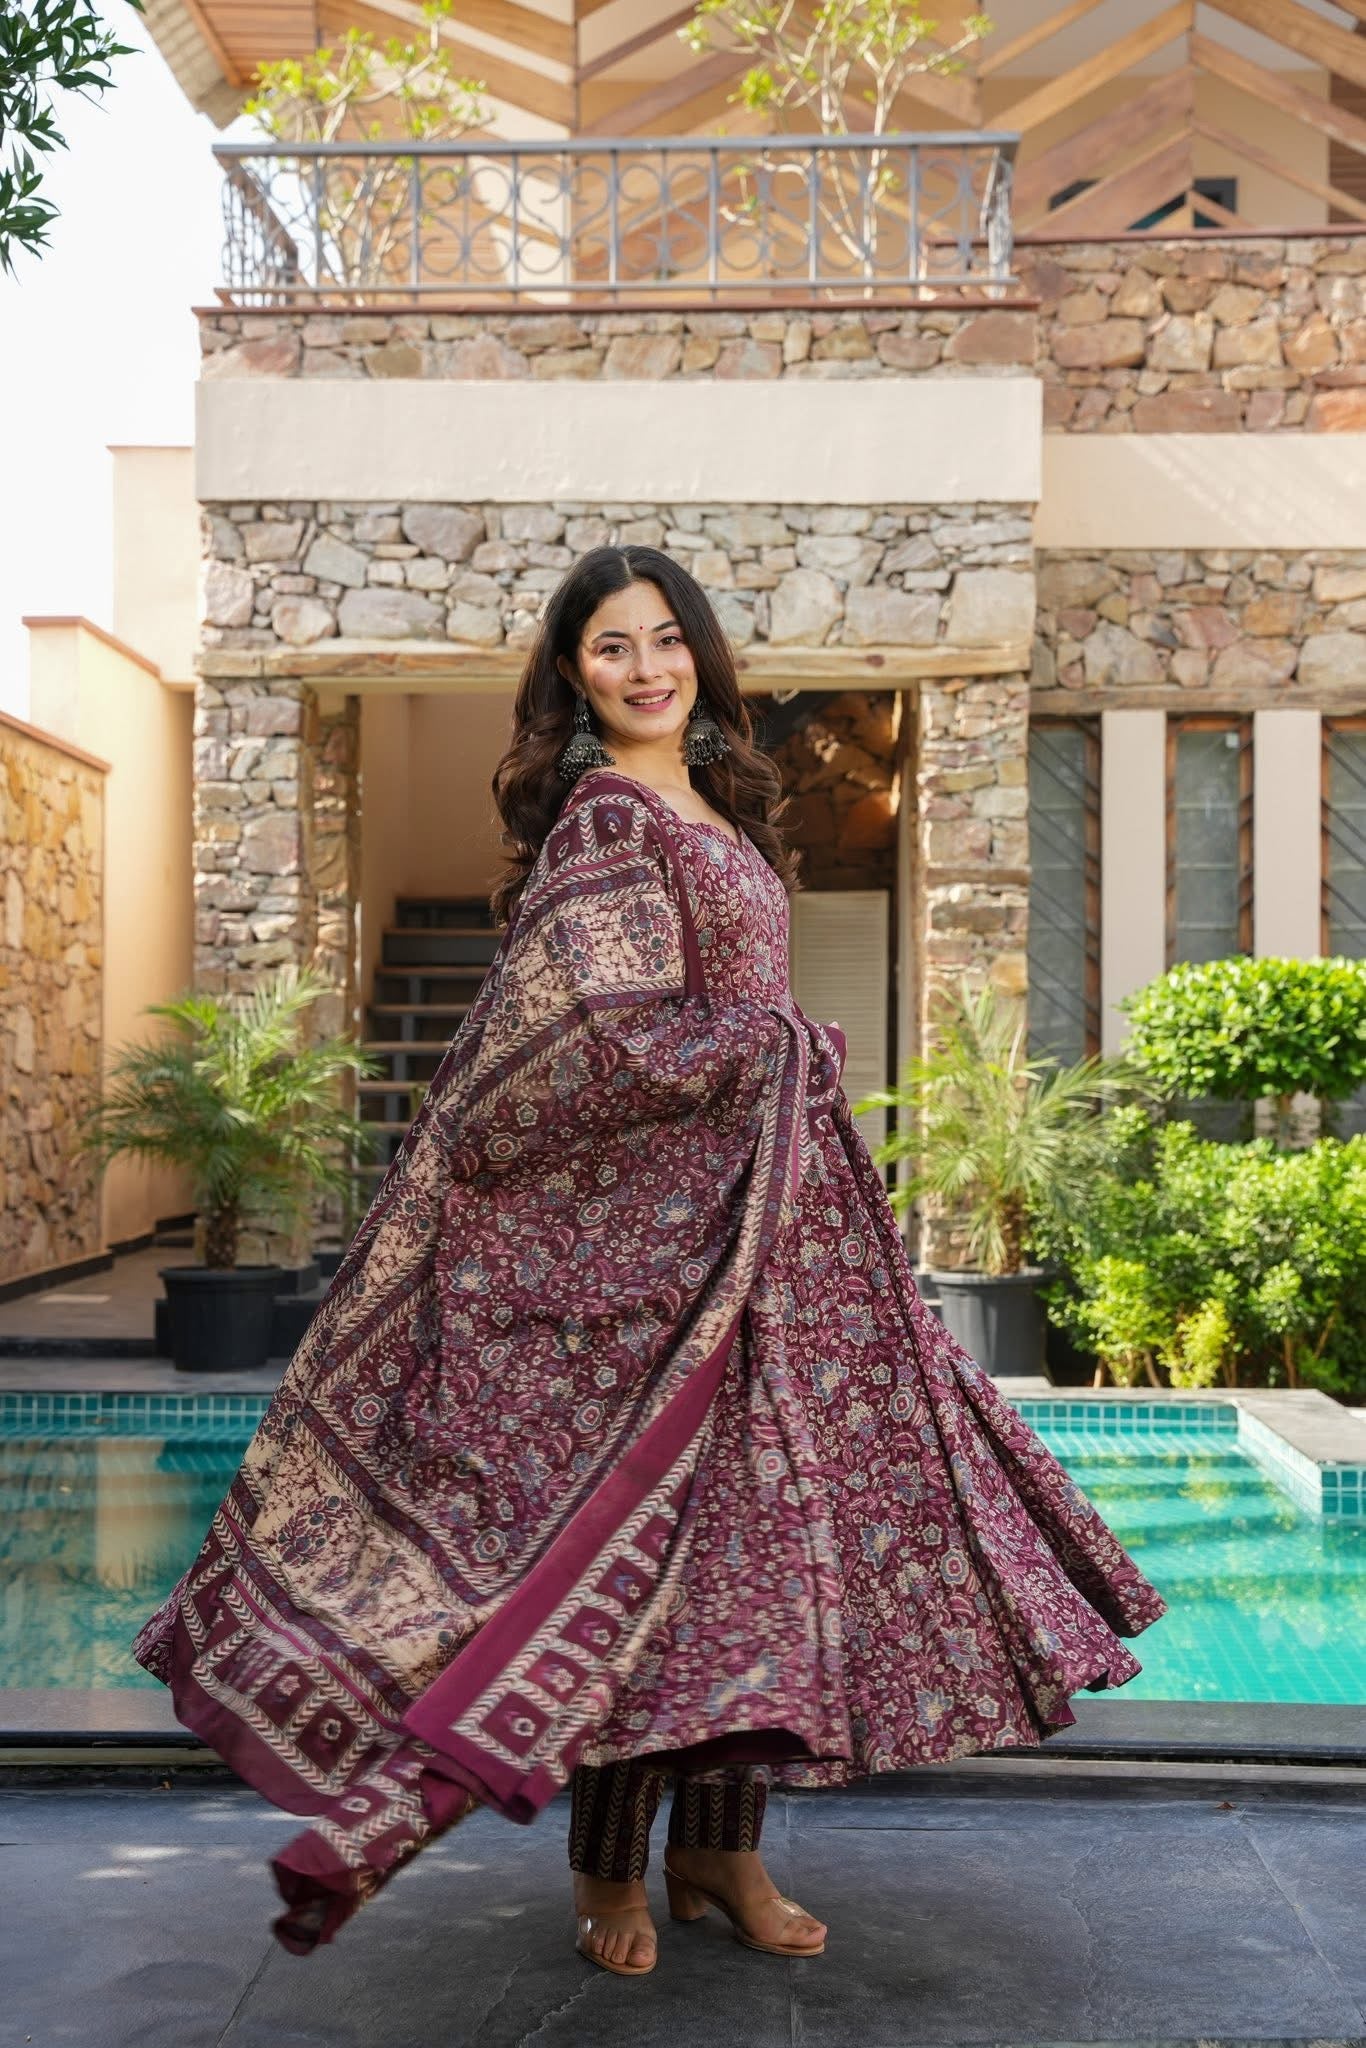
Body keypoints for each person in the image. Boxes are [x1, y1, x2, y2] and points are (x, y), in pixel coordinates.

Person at [133, 543, 1166, 1969]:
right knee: (638, 1558)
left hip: (770, 1236)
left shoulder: (718, 803)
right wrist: (777, 1048)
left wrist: (776, 1067)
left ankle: (720, 1855)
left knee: (751, 1554)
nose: (646, 668)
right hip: (667, 1254)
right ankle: (609, 1875)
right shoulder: (608, 819)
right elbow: (593, 1041)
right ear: (573, 672)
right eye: (611, 645)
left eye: (667, 638)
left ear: (701, 653)